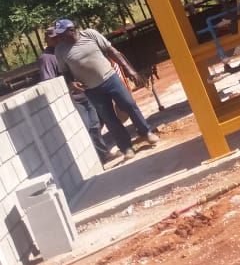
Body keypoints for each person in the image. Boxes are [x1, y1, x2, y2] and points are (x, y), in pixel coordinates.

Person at [51, 18, 158, 160]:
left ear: (72, 30)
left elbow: (111, 51)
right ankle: (126, 147)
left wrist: (129, 69)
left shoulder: (90, 34)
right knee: (109, 118)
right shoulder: (60, 50)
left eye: (62, 34)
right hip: (91, 89)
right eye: (58, 35)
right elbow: (65, 72)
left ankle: (146, 132)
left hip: (110, 78)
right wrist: (71, 83)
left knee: (129, 104)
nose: (60, 38)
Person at [38, 27, 116, 163]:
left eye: (58, 37)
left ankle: (103, 154)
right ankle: (101, 156)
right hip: (73, 99)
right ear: (47, 40)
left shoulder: (65, 49)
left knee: (95, 124)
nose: (56, 40)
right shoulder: (47, 58)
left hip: (85, 93)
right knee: (87, 127)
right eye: (53, 38)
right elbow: (49, 82)